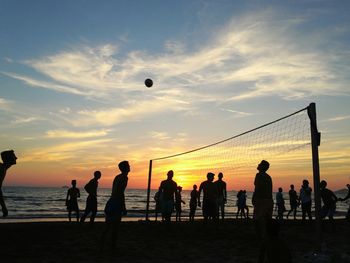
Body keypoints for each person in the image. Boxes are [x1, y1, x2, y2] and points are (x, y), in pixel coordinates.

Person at [102, 161, 130, 249]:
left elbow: (115, 191)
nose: (130, 167)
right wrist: (124, 207)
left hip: (111, 202)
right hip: (116, 203)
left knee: (108, 226)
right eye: (128, 166)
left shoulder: (117, 176)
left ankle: (102, 243)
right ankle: (113, 246)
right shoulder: (124, 178)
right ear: (125, 168)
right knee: (115, 227)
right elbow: (120, 193)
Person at [252, 160, 273, 240]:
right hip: (269, 201)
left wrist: (254, 198)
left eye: (260, 164)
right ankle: (266, 237)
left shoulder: (258, 175)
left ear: (262, 167)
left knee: (257, 221)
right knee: (266, 222)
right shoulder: (268, 177)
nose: (258, 164)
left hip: (261, 201)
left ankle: (261, 238)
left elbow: (258, 188)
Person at [0, 150, 17, 217]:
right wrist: (4, 207)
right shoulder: (1, 168)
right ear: (8, 158)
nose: (16, 158)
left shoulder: (2, 168)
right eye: (14, 156)